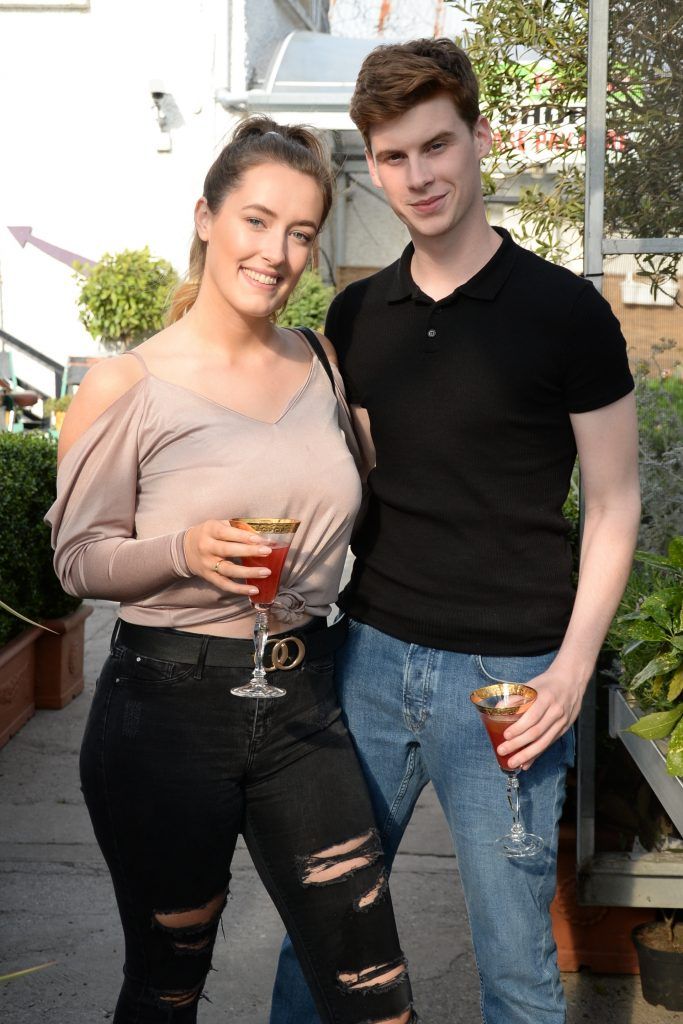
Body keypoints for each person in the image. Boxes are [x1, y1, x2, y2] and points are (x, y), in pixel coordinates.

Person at [270, 38, 641, 1024]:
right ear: (371, 163)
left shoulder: (565, 315)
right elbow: (350, 486)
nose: (417, 175)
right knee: (318, 935)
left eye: (435, 146)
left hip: (508, 682)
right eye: (391, 157)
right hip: (370, 661)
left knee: (514, 967)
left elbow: (612, 502)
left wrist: (569, 670)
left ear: (477, 138)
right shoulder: (356, 316)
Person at [46, 116, 417, 1024]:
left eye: (300, 233)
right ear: (206, 216)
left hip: (303, 700)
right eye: (256, 221)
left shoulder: (321, 361)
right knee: (168, 984)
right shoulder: (128, 383)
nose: (277, 252)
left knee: (373, 987)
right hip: (164, 711)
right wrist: (186, 551)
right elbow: (76, 560)